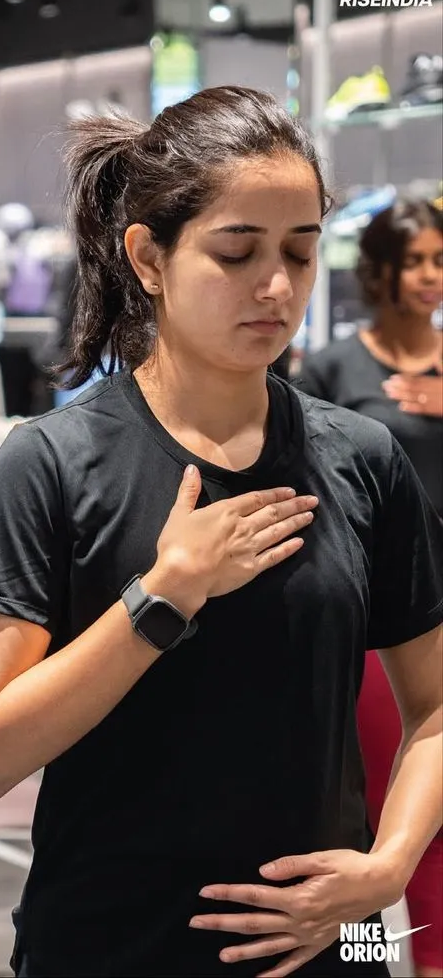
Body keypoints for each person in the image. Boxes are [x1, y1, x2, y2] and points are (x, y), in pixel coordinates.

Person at [0, 87, 443, 978]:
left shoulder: (361, 457)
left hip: (319, 952)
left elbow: (437, 704)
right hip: (108, 945)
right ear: (147, 256)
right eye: (237, 250)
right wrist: (162, 597)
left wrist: (386, 868)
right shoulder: (52, 464)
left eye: (300, 250)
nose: (277, 285)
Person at [296, 200, 443, 978]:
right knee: (375, 814)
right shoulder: (332, 368)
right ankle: (368, 958)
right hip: (384, 620)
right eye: (415, 260)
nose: (429, 277)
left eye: (440, 261)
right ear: (382, 268)